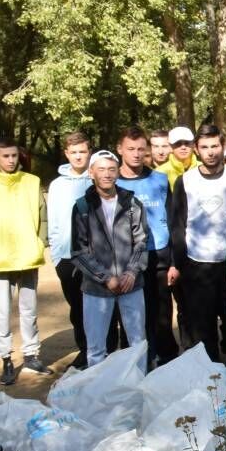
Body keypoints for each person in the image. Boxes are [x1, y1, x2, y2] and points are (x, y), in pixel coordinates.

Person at [0, 138, 51, 385]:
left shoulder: (32, 182)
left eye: (14, 156)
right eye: (6, 156)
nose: (11, 160)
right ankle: (6, 358)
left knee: (29, 309)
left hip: (28, 257)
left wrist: (40, 242)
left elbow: (42, 217)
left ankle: (31, 354)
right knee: (1, 311)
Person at [169, 125, 226, 360]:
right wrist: (177, 264)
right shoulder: (186, 180)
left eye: (215, 146)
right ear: (196, 150)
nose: (210, 152)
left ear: (223, 146)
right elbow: (178, 224)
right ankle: (211, 378)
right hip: (197, 266)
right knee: (202, 328)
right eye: (204, 147)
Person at [71, 150, 149, 367]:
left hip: (131, 285)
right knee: (96, 348)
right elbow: (79, 250)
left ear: (118, 172)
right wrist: (105, 278)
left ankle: (138, 388)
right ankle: (99, 395)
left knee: (137, 343)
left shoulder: (132, 204)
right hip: (96, 288)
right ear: (91, 172)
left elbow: (142, 241)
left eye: (112, 169)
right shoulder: (82, 207)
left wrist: (132, 272)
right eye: (101, 169)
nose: (107, 174)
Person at [116, 126, 177, 368]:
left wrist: (173, 261)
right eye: (131, 149)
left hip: (159, 256)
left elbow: (172, 220)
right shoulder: (113, 182)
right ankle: (132, 361)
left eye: (141, 149)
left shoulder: (159, 180)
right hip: (126, 261)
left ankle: (166, 360)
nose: (136, 154)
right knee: (130, 315)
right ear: (120, 150)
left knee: (161, 313)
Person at [47, 131, 93, 368]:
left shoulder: (97, 178)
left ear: (89, 152)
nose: (78, 157)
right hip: (66, 256)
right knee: (77, 307)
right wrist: (57, 256)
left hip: (95, 257)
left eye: (82, 152)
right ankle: (84, 350)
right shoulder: (57, 185)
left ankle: (103, 350)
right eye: (73, 152)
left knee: (99, 306)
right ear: (66, 154)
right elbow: (53, 220)